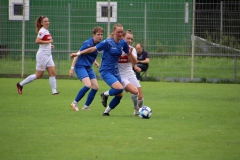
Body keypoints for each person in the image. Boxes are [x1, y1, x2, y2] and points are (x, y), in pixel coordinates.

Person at [71, 23, 133, 116]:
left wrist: (134, 61)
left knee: (118, 94)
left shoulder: (123, 43)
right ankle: (76, 102)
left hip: (112, 71)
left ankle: (103, 111)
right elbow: (91, 49)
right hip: (104, 70)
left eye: (121, 32)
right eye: (118, 32)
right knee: (90, 85)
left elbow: (128, 54)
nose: (120, 34)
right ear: (113, 32)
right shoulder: (106, 42)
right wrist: (77, 55)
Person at [16, 16, 58, 95]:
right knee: (38, 75)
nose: (47, 22)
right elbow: (37, 41)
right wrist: (48, 42)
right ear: (41, 23)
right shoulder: (42, 31)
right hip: (42, 55)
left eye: (48, 21)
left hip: (48, 55)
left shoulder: (46, 31)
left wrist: (50, 45)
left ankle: (54, 92)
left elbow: (46, 41)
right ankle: (20, 84)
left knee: (52, 73)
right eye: (45, 21)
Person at [69, 26, 104, 111]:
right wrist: (72, 68)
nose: (100, 36)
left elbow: (90, 52)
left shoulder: (99, 44)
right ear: (93, 35)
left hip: (88, 67)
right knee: (88, 85)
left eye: (101, 34)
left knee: (95, 87)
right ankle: (74, 103)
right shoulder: (88, 43)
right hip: (80, 66)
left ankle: (86, 106)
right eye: (98, 34)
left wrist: (95, 62)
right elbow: (78, 54)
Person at [118, 30, 145, 116]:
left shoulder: (132, 50)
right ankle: (136, 109)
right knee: (134, 91)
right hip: (121, 75)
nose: (129, 40)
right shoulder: (117, 48)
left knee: (140, 97)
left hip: (130, 74)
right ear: (123, 38)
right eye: (127, 38)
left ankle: (138, 111)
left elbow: (135, 62)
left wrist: (130, 55)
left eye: (131, 39)